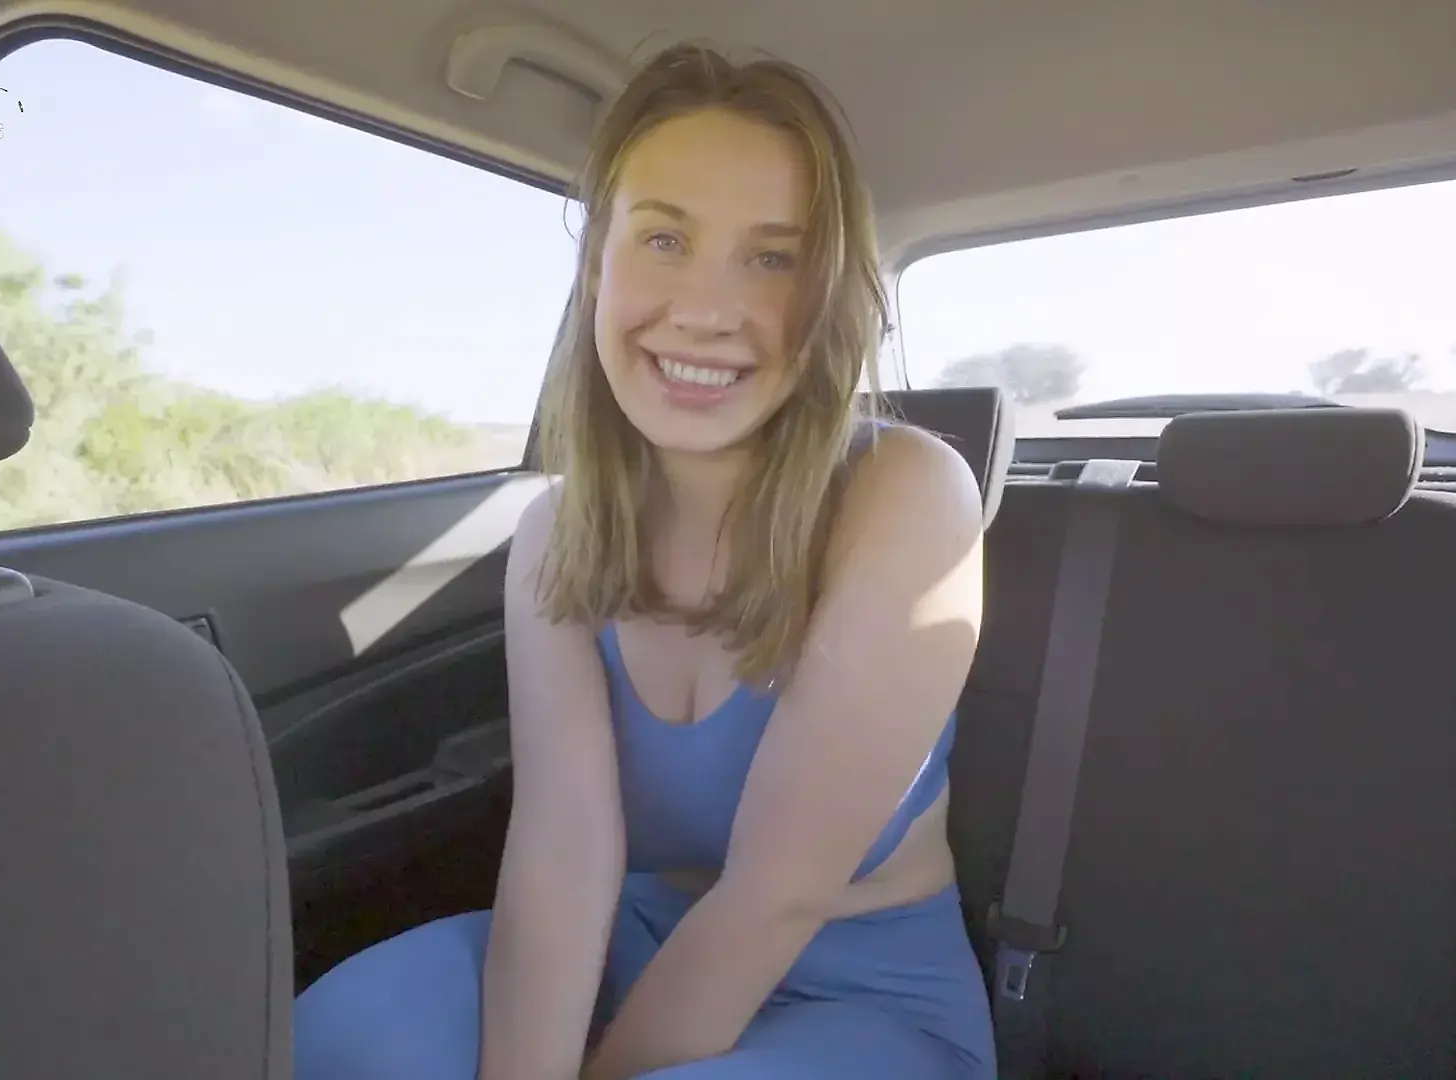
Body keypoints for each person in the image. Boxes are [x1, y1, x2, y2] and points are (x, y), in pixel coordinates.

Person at [293, 41, 995, 1080]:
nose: (705, 310)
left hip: (856, 991)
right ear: (597, 266)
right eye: (665, 239)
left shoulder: (905, 493)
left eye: (772, 257)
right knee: (334, 1037)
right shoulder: (556, 532)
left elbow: (777, 895)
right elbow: (563, 852)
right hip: (628, 949)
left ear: (827, 296)